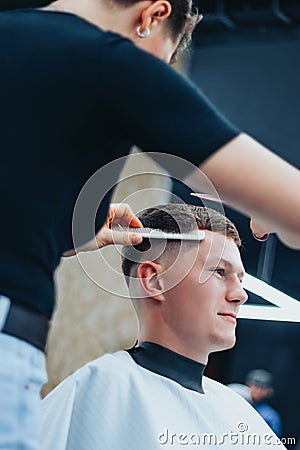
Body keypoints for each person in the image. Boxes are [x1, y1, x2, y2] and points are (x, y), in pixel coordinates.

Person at [1, 0, 300, 448]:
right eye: (167, 55)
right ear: (152, 15)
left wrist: (70, 237)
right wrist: (270, 207)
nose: (239, 292)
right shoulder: (110, 61)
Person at [41, 204, 286, 449]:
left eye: (240, 279)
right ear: (154, 280)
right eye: (220, 271)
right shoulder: (100, 391)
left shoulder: (242, 415)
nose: (240, 295)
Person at [245, 369, 282, 438]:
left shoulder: (271, 416)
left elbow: (274, 442)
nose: (258, 391)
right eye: (256, 386)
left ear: (268, 391)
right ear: (248, 386)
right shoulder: (239, 405)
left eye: (262, 388)